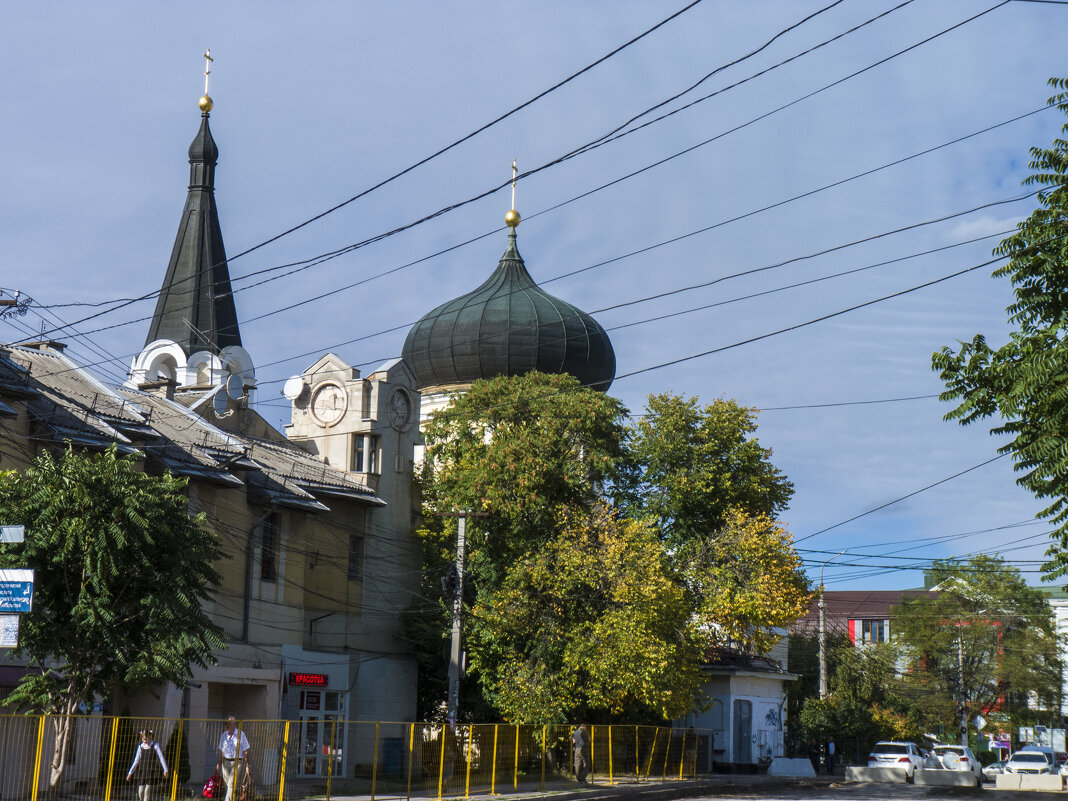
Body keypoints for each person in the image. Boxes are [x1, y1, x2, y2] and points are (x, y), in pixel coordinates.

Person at [126, 729, 169, 801]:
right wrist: (130, 773)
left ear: (150, 737)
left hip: (151, 772)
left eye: (146, 739)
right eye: (143, 739)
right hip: (142, 772)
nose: (144, 741)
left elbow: (161, 758)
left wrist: (165, 770)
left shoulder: (155, 745)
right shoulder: (140, 747)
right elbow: (136, 761)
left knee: (147, 791)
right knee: (140, 792)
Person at [216, 717, 251, 801]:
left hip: (237, 762)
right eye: (226, 724)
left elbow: (245, 750)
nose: (227, 726)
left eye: (229, 724)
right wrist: (218, 764)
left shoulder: (240, 734)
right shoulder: (224, 735)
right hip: (225, 762)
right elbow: (221, 751)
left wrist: (247, 765)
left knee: (231, 784)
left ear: (234, 725)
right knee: (227, 785)